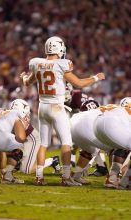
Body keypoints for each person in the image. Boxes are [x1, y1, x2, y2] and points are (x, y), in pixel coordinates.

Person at [20, 36, 105, 186]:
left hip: (42, 107)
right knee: (66, 142)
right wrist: (95, 78)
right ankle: (66, 178)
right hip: (56, 107)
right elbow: (78, 83)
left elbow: (27, 82)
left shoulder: (36, 63)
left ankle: (39, 177)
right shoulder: (61, 64)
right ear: (59, 48)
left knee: (44, 143)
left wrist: (24, 77)